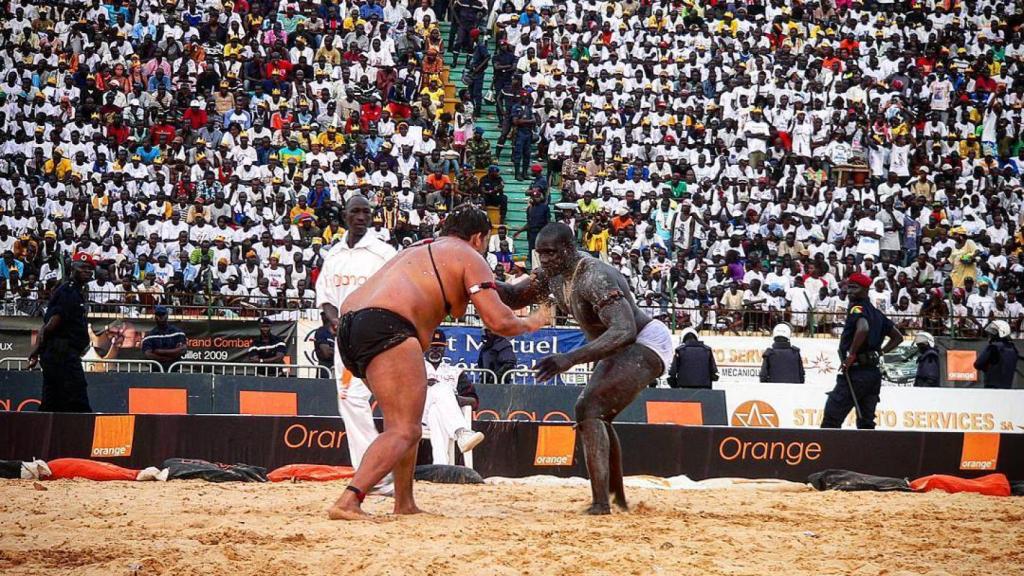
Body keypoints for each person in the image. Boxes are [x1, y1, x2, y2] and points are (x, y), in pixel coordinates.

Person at [329, 205, 551, 521]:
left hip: (350, 325)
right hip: (387, 325)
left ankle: (404, 502)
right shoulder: (469, 256)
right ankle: (350, 499)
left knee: (405, 424)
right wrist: (535, 322)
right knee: (405, 429)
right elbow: (499, 321)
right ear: (478, 237)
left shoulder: (421, 247)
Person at [492, 223, 674, 515]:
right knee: (597, 414)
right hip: (619, 345)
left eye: (551, 253)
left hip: (646, 341)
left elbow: (625, 330)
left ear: (568, 249)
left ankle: (603, 503)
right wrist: (476, 281)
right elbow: (514, 297)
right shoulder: (551, 276)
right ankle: (615, 499)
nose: (545, 260)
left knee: (589, 408)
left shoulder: (594, 276)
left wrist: (569, 358)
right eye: (540, 254)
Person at [315, 195, 397, 494]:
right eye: (355, 212)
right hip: (346, 341)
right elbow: (324, 298)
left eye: (366, 212)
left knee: (398, 402)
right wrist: (332, 320)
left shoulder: (383, 253)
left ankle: (387, 469)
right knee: (350, 400)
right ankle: (373, 475)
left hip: (378, 338)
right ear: (345, 216)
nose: (361, 217)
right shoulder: (334, 254)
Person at [821, 273, 904, 429]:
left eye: (854, 288)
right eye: (848, 287)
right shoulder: (878, 314)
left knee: (832, 417)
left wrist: (851, 354)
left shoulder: (856, 308)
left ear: (866, 289)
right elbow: (897, 337)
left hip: (856, 372)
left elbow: (863, 328)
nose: (850, 291)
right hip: (873, 374)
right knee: (866, 423)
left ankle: (827, 453)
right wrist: (880, 352)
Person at [27, 252, 96, 412]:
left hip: (58, 354)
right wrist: (38, 350)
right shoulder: (68, 292)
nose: (87, 271)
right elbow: (51, 325)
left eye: (90, 268)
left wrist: (38, 351)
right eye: (83, 267)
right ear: (73, 268)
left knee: (52, 403)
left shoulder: (75, 291)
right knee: (78, 402)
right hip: (62, 355)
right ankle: (80, 435)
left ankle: (46, 435)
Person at [423, 329, 485, 465]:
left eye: (439, 347)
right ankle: (462, 433)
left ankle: (441, 465)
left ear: (445, 348)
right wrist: (422, 385)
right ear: (425, 348)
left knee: (436, 411)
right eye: (432, 347)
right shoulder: (416, 368)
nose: (435, 350)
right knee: (441, 388)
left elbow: (474, 401)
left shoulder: (455, 372)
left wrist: (454, 399)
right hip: (418, 415)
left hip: (442, 418)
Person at [141, 305, 188, 372]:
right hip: (156, 372)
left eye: (163, 314)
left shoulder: (178, 333)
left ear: (167, 315)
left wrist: (159, 351)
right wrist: (172, 354)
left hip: (175, 372)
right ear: (155, 316)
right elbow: (148, 354)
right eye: (158, 314)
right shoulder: (149, 336)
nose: (161, 317)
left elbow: (183, 350)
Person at [974, 320, 1018, 389]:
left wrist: (987, 367)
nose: (991, 334)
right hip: (1007, 388)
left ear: (1001, 333)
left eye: (994, 332)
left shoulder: (993, 347)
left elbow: (978, 364)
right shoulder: (1013, 349)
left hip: (992, 387)